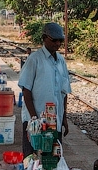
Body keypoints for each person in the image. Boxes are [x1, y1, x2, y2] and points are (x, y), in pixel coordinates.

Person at [18, 22, 71, 157]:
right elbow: (26, 89)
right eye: (54, 40)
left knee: (53, 158)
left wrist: (64, 116)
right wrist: (34, 117)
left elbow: (64, 91)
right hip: (35, 119)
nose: (57, 43)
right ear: (44, 38)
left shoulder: (61, 61)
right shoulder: (34, 60)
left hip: (54, 119)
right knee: (33, 158)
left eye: (60, 40)